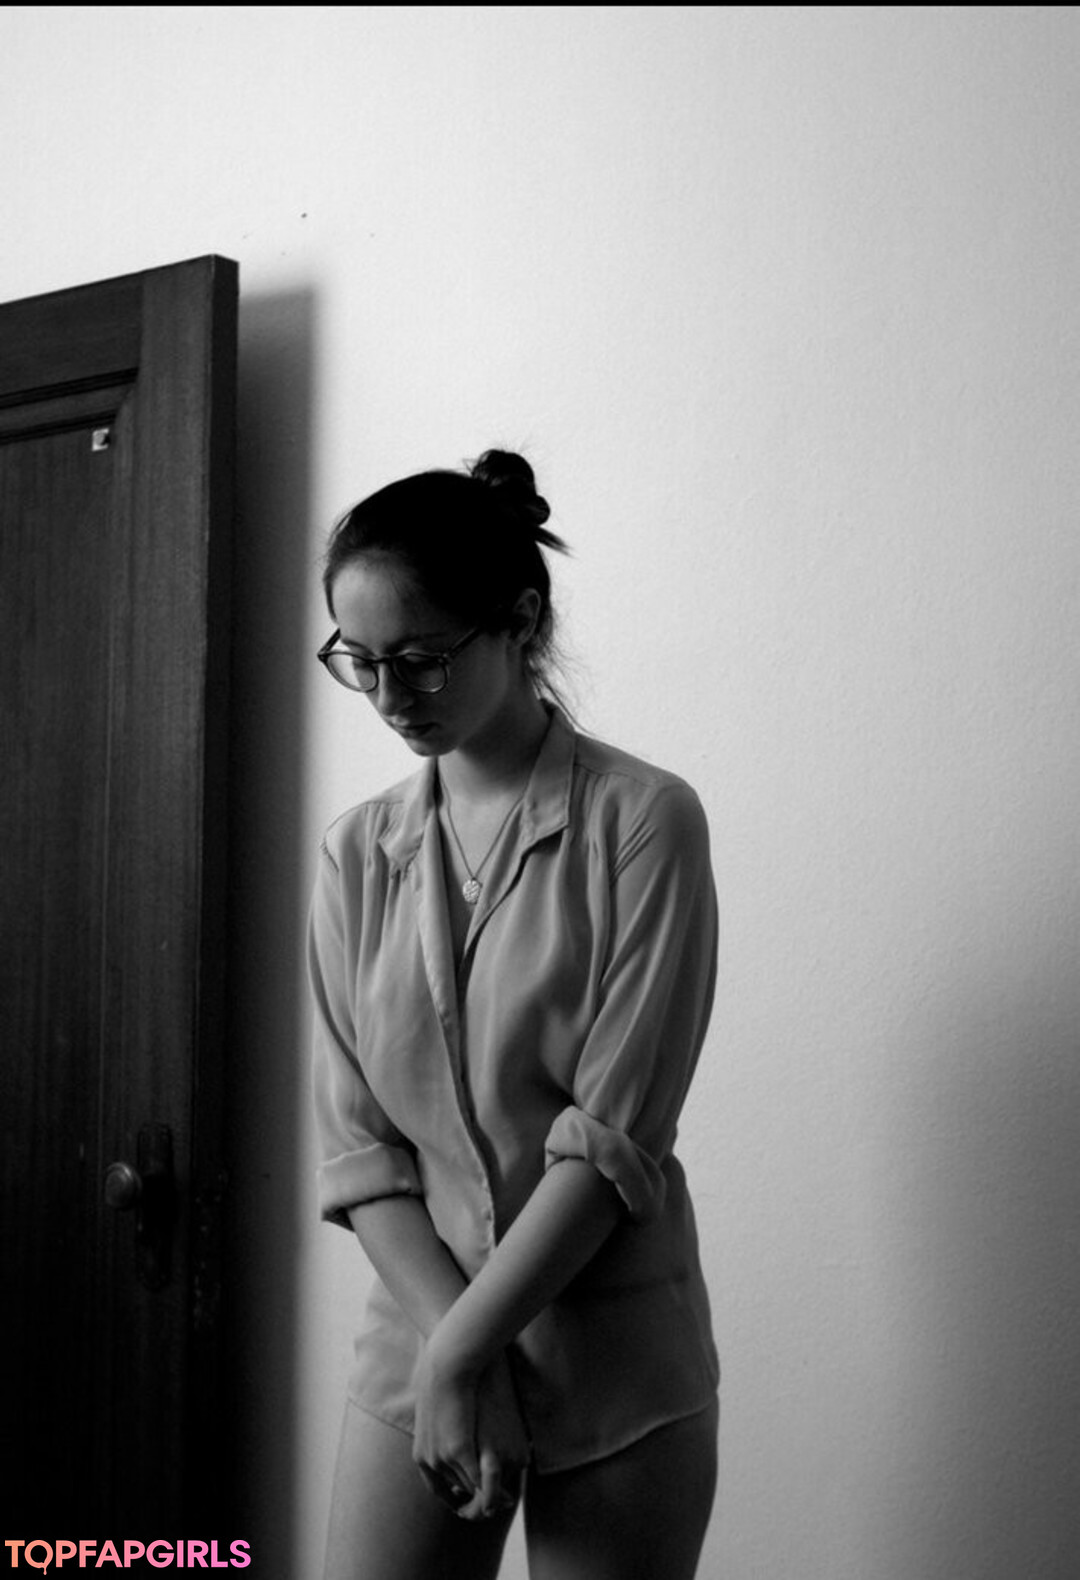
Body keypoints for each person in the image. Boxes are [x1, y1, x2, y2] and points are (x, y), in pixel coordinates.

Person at [308, 450, 720, 1580]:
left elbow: (612, 1140)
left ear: (521, 620)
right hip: (416, 1337)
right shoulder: (357, 853)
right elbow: (361, 1150)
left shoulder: (645, 822)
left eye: (421, 660)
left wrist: (463, 1353)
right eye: (359, 661)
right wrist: (452, 1350)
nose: (389, 697)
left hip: (614, 1364)